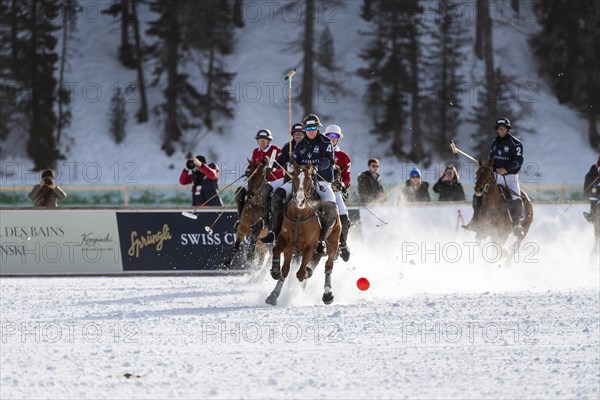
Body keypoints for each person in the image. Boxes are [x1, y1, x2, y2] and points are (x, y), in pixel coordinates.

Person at [260, 113, 337, 257]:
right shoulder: (300, 145)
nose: (311, 130)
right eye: (308, 127)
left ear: (318, 128)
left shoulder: (325, 142)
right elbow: (293, 161)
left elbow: (329, 161)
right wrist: (287, 167)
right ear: (305, 129)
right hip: (301, 181)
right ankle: (275, 232)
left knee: (331, 208)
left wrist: (317, 167)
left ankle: (321, 241)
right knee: (278, 195)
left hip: (321, 181)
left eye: (314, 127)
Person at [462, 117, 524, 235]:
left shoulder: (515, 143)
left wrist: (506, 169)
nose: (501, 130)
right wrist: (486, 167)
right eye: (499, 129)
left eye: (503, 128)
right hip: (495, 177)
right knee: (478, 195)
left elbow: (518, 161)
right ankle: (475, 221)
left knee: (516, 199)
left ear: (508, 129)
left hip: (511, 177)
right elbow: (492, 159)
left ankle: (516, 225)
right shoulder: (494, 143)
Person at [250, 123, 305, 234]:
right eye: (295, 134)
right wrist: (271, 167)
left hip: (304, 181)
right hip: (288, 180)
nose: (298, 136)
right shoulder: (287, 146)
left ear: (304, 134)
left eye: (300, 134)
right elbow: (279, 162)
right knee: (266, 189)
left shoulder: (309, 146)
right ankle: (266, 220)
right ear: (292, 135)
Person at [234, 129, 283, 224]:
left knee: (267, 194)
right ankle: (241, 219)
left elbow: (281, 166)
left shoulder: (276, 150)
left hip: (273, 181)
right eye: (260, 140)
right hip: (257, 182)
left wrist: (272, 169)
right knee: (239, 193)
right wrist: (248, 170)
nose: (262, 143)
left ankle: (269, 219)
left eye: (264, 140)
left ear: (269, 141)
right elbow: (251, 165)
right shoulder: (256, 151)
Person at [324, 124, 352, 262]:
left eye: (334, 136)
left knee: (344, 216)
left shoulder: (343, 157)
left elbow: (347, 177)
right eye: (329, 136)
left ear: (338, 139)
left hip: (335, 191)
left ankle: (342, 244)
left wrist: (342, 184)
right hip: (321, 189)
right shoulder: (321, 152)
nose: (332, 138)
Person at [583, 154, 600, 224]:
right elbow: (586, 190)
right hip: (597, 196)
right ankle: (593, 215)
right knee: (593, 192)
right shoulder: (593, 172)